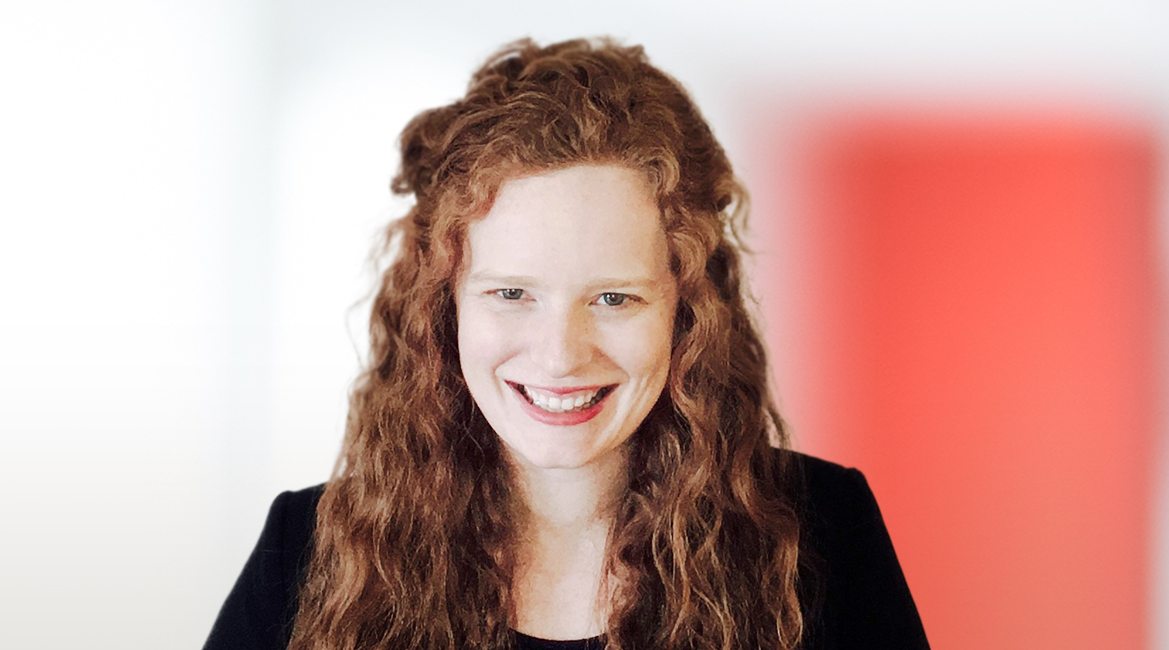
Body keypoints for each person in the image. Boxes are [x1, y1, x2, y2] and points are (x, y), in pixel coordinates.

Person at [203, 38, 928, 650]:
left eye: (614, 298)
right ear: (442, 306)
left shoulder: (825, 534)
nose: (559, 354)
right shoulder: (303, 552)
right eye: (511, 293)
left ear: (688, 311)